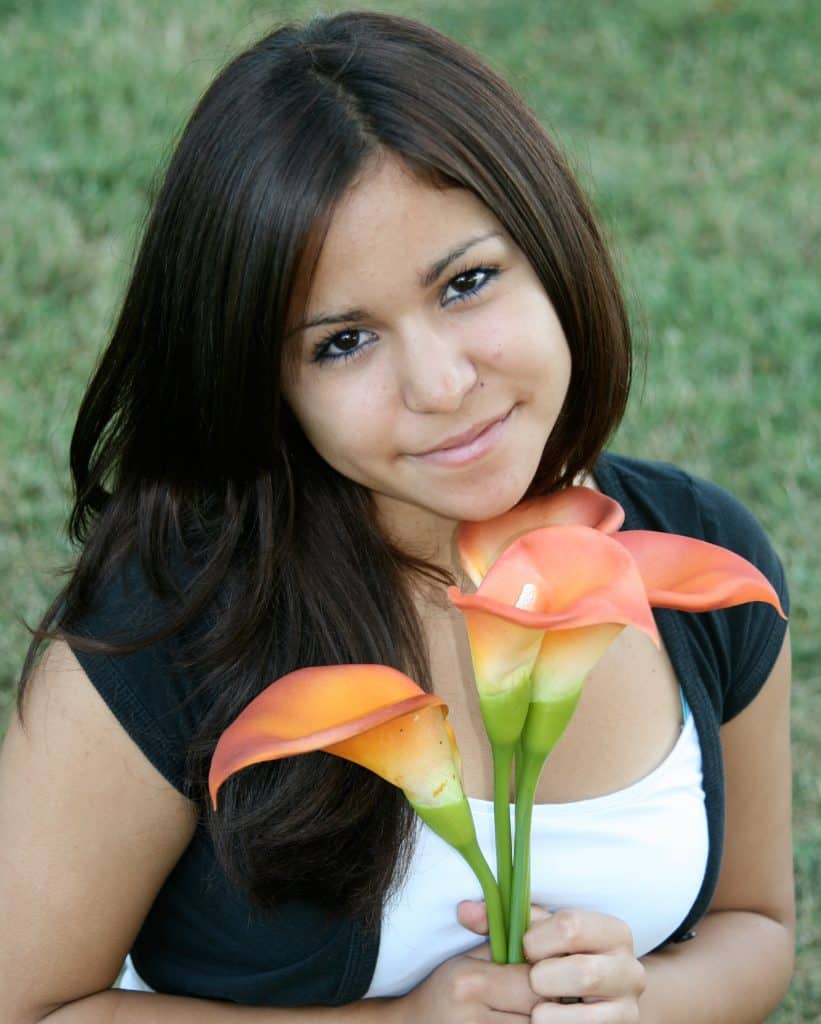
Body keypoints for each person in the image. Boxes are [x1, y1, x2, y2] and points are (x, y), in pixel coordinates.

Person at [0, 11, 793, 1023]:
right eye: (340, 343)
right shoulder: (163, 634)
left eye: (465, 283)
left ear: (551, 247)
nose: (439, 383)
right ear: (264, 383)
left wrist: (638, 1001)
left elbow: (755, 928)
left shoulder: (704, 563)